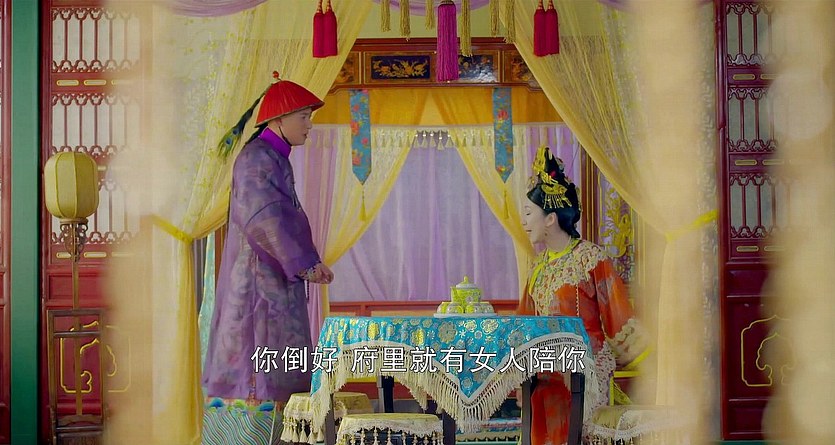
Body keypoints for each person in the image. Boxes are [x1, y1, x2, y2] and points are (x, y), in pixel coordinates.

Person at [201, 75, 334, 444]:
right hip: (257, 289)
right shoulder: (257, 159)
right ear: (279, 119)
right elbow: (264, 219)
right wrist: (305, 263)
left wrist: (306, 262)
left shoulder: (272, 158)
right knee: (256, 368)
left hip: (272, 280)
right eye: (304, 117)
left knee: (276, 364)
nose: (309, 125)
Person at [517, 146, 648, 445]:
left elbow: (618, 320)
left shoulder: (590, 258)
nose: (523, 221)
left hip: (585, 376)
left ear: (550, 218)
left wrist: (648, 365)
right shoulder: (537, 267)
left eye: (528, 213)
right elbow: (523, 326)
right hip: (543, 377)